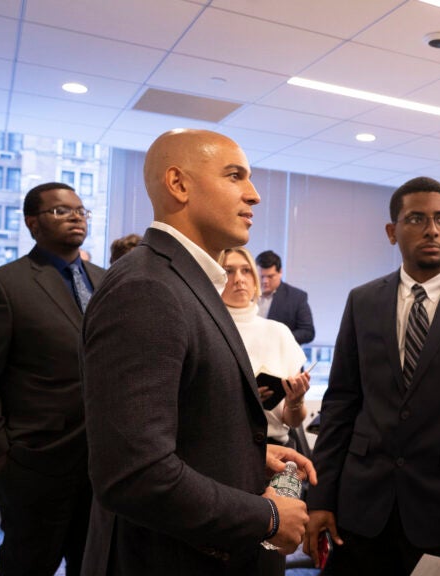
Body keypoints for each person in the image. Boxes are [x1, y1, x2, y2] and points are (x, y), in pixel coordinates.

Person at [81, 129, 316, 575]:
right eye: (235, 176)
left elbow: (183, 417)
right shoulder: (148, 287)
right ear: (179, 184)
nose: (255, 194)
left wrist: (245, 455)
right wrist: (266, 517)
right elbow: (135, 475)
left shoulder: (185, 281)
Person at [304, 176, 440, 576]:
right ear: (392, 232)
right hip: (362, 510)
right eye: (416, 219)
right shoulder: (363, 301)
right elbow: (341, 405)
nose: (431, 229)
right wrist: (320, 499)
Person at [0, 181, 103, 576]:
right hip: (35, 463)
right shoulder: (2, 284)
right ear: (32, 223)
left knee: (94, 564)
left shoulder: (106, 281)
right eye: (60, 210)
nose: (75, 216)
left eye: (81, 210)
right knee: (29, 563)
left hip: (104, 462)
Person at [219, 246, 313, 575]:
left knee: (272, 556)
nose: (239, 278)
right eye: (228, 270)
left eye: (245, 270)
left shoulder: (279, 333)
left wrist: (297, 399)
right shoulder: (206, 329)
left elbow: (291, 418)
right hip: (225, 457)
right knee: (226, 554)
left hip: (281, 455)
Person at [255, 250, 315, 344]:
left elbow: (308, 332)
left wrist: (281, 338)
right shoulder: (246, 294)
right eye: (261, 276)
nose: (265, 281)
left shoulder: (297, 297)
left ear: (280, 272)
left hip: (281, 354)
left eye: (270, 276)